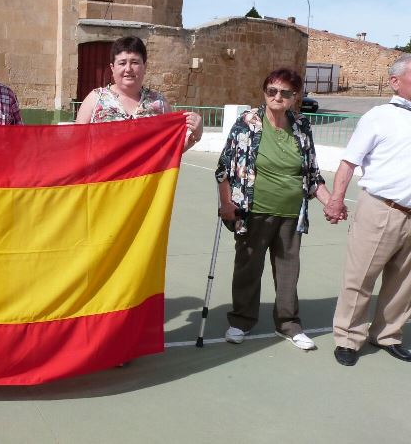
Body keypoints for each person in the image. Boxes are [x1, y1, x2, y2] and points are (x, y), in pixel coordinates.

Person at [215, 68, 333, 350]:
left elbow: (312, 174)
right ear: (264, 92)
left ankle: (289, 324)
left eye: (285, 93)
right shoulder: (247, 123)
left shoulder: (302, 126)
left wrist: (332, 203)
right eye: (272, 91)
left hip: (292, 213)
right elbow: (223, 169)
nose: (277, 97)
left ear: (295, 97)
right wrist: (227, 204)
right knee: (248, 268)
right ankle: (241, 321)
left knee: (288, 272)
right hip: (252, 209)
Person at [324, 54, 411, 367]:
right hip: (381, 209)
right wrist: (336, 198)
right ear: (395, 82)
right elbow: (349, 161)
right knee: (360, 277)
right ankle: (348, 338)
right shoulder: (379, 116)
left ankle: (388, 335)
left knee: (404, 284)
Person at [74, 36, 203, 152]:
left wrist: (194, 136)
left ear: (144, 66)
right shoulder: (95, 100)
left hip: (145, 178)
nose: (128, 69)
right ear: (112, 68)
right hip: (104, 178)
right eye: (122, 63)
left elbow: (171, 150)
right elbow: (76, 145)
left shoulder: (160, 104)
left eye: (135, 62)